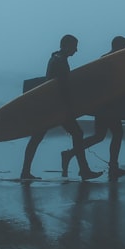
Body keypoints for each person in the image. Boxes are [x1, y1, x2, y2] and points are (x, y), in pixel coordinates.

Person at [20, 34, 103, 181]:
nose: (76, 50)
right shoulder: (60, 61)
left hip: (50, 105)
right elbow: (62, 88)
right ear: (65, 45)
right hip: (55, 107)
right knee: (74, 134)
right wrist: (69, 108)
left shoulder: (56, 58)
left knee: (39, 138)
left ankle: (25, 171)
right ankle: (83, 170)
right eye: (74, 46)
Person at [61, 35, 125, 180]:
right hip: (107, 105)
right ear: (119, 47)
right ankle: (113, 167)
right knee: (116, 134)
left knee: (100, 136)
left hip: (105, 105)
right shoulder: (110, 61)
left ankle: (70, 153)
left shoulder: (108, 59)